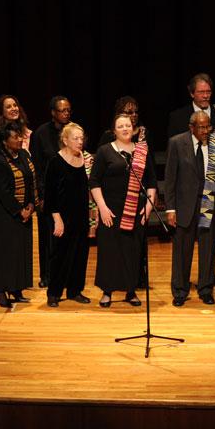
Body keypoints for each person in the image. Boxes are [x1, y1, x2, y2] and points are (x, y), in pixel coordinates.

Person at [90, 113, 157, 308]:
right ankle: (107, 291)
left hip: (135, 209)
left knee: (132, 251)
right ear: (114, 130)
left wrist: (148, 207)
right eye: (121, 126)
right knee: (109, 251)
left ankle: (130, 290)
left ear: (134, 129)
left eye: (128, 125)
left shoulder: (142, 151)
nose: (125, 129)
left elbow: (151, 181)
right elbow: (94, 181)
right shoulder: (104, 151)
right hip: (110, 209)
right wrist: (101, 208)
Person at [165, 112, 215, 306]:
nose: (205, 131)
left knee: (208, 248)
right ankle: (180, 290)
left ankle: (206, 288)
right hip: (184, 204)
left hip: (209, 201)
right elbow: (170, 178)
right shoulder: (177, 143)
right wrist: (170, 209)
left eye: (207, 126)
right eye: (201, 127)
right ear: (191, 127)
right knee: (182, 250)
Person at [0, 95, 33, 282]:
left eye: (15, 105)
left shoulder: (24, 131)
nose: (13, 109)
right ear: (1, 112)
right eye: (9, 106)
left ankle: (17, 281)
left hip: (20, 185)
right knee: (1, 238)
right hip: (0, 189)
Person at [0, 121, 39, 308]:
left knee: (21, 252)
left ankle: (16, 289)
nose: (19, 139)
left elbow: (32, 180)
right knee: (6, 253)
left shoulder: (24, 155)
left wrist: (31, 205)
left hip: (25, 210)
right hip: (5, 214)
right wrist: (20, 211)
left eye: (20, 136)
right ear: (5, 141)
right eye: (15, 137)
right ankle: (1, 290)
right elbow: (3, 192)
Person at [43, 122, 91, 308]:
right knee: (60, 254)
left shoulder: (85, 160)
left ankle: (74, 290)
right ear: (65, 140)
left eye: (82, 138)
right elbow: (50, 195)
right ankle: (54, 292)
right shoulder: (55, 162)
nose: (80, 142)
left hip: (81, 216)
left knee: (80, 254)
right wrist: (57, 219)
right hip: (61, 217)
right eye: (76, 138)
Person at [31, 95, 73, 288]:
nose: (66, 113)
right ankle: (47, 275)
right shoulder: (40, 134)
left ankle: (65, 273)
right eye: (62, 110)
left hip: (68, 191)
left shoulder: (73, 131)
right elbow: (37, 168)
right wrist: (39, 195)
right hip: (48, 191)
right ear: (53, 113)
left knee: (68, 235)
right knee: (48, 235)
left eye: (68, 110)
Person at [166, 73, 215, 141]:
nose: (205, 96)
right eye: (201, 92)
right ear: (192, 94)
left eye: (208, 92)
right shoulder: (177, 117)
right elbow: (174, 148)